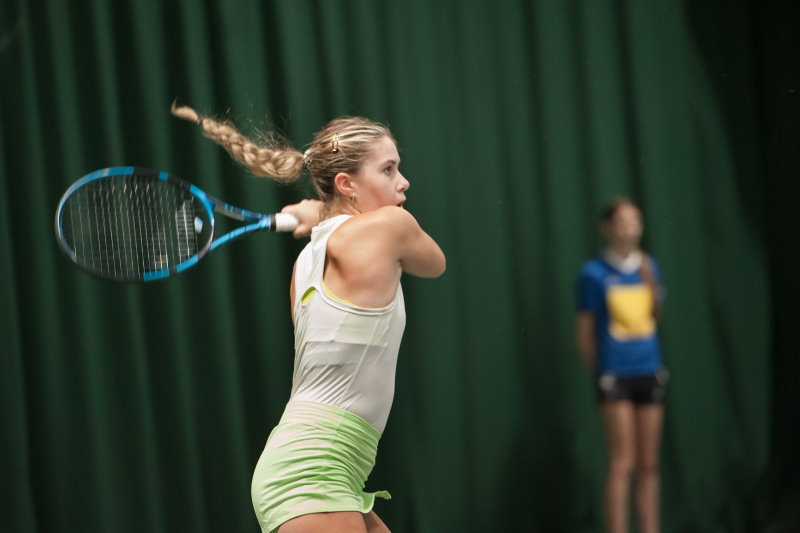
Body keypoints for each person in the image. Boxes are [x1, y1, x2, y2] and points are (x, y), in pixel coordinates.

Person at [171, 103, 446, 533]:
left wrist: (320, 215)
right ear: (346, 184)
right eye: (389, 169)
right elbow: (434, 263)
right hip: (314, 468)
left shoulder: (305, 263)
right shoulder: (393, 226)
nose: (403, 181)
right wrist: (318, 213)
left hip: (319, 463)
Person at [575, 197, 667, 533]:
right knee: (623, 461)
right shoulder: (593, 274)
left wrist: (651, 283)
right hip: (615, 376)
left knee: (648, 463)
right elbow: (584, 333)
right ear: (608, 228)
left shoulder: (649, 267)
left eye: (636, 221)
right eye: (624, 222)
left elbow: (654, 316)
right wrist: (601, 373)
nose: (631, 228)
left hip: (650, 371)